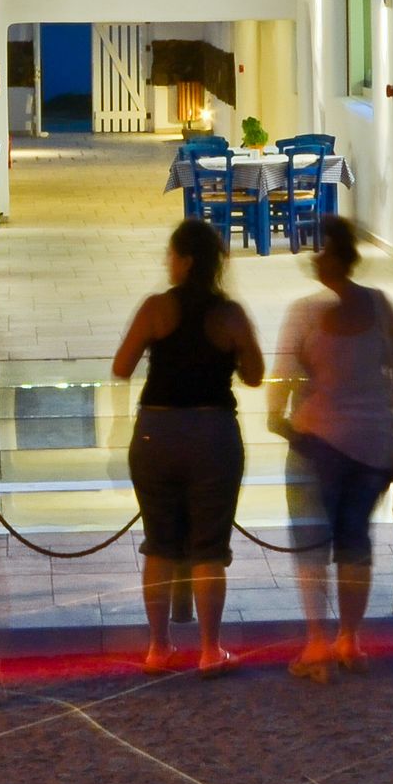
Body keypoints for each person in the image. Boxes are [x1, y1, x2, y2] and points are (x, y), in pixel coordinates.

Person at [109, 217, 262, 671]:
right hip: (213, 432)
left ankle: (159, 647)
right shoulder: (229, 314)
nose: (167, 263)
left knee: (159, 544)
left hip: (158, 431)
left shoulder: (156, 308)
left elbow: (122, 365)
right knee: (209, 547)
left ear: (186, 260)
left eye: (171, 255)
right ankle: (210, 649)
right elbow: (254, 375)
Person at [271, 216, 393, 678]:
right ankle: (350, 640)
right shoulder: (380, 306)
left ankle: (317, 643)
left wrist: (281, 419)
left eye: (317, 249)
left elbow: (282, 377)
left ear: (329, 255)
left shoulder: (305, 313)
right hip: (373, 446)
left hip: (317, 443)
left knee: (312, 545)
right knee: (356, 541)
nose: (313, 258)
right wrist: (381, 413)